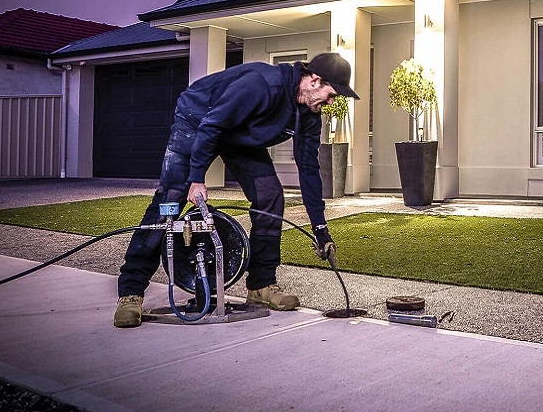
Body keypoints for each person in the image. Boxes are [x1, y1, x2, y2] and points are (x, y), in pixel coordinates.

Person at [113, 52, 359, 328]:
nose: (331, 102)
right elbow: (213, 125)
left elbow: (309, 172)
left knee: (270, 196)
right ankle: (131, 291)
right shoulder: (262, 84)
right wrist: (196, 178)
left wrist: (320, 229)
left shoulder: (309, 116)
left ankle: (261, 284)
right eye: (332, 94)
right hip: (199, 119)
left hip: (238, 136)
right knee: (169, 199)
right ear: (315, 80)